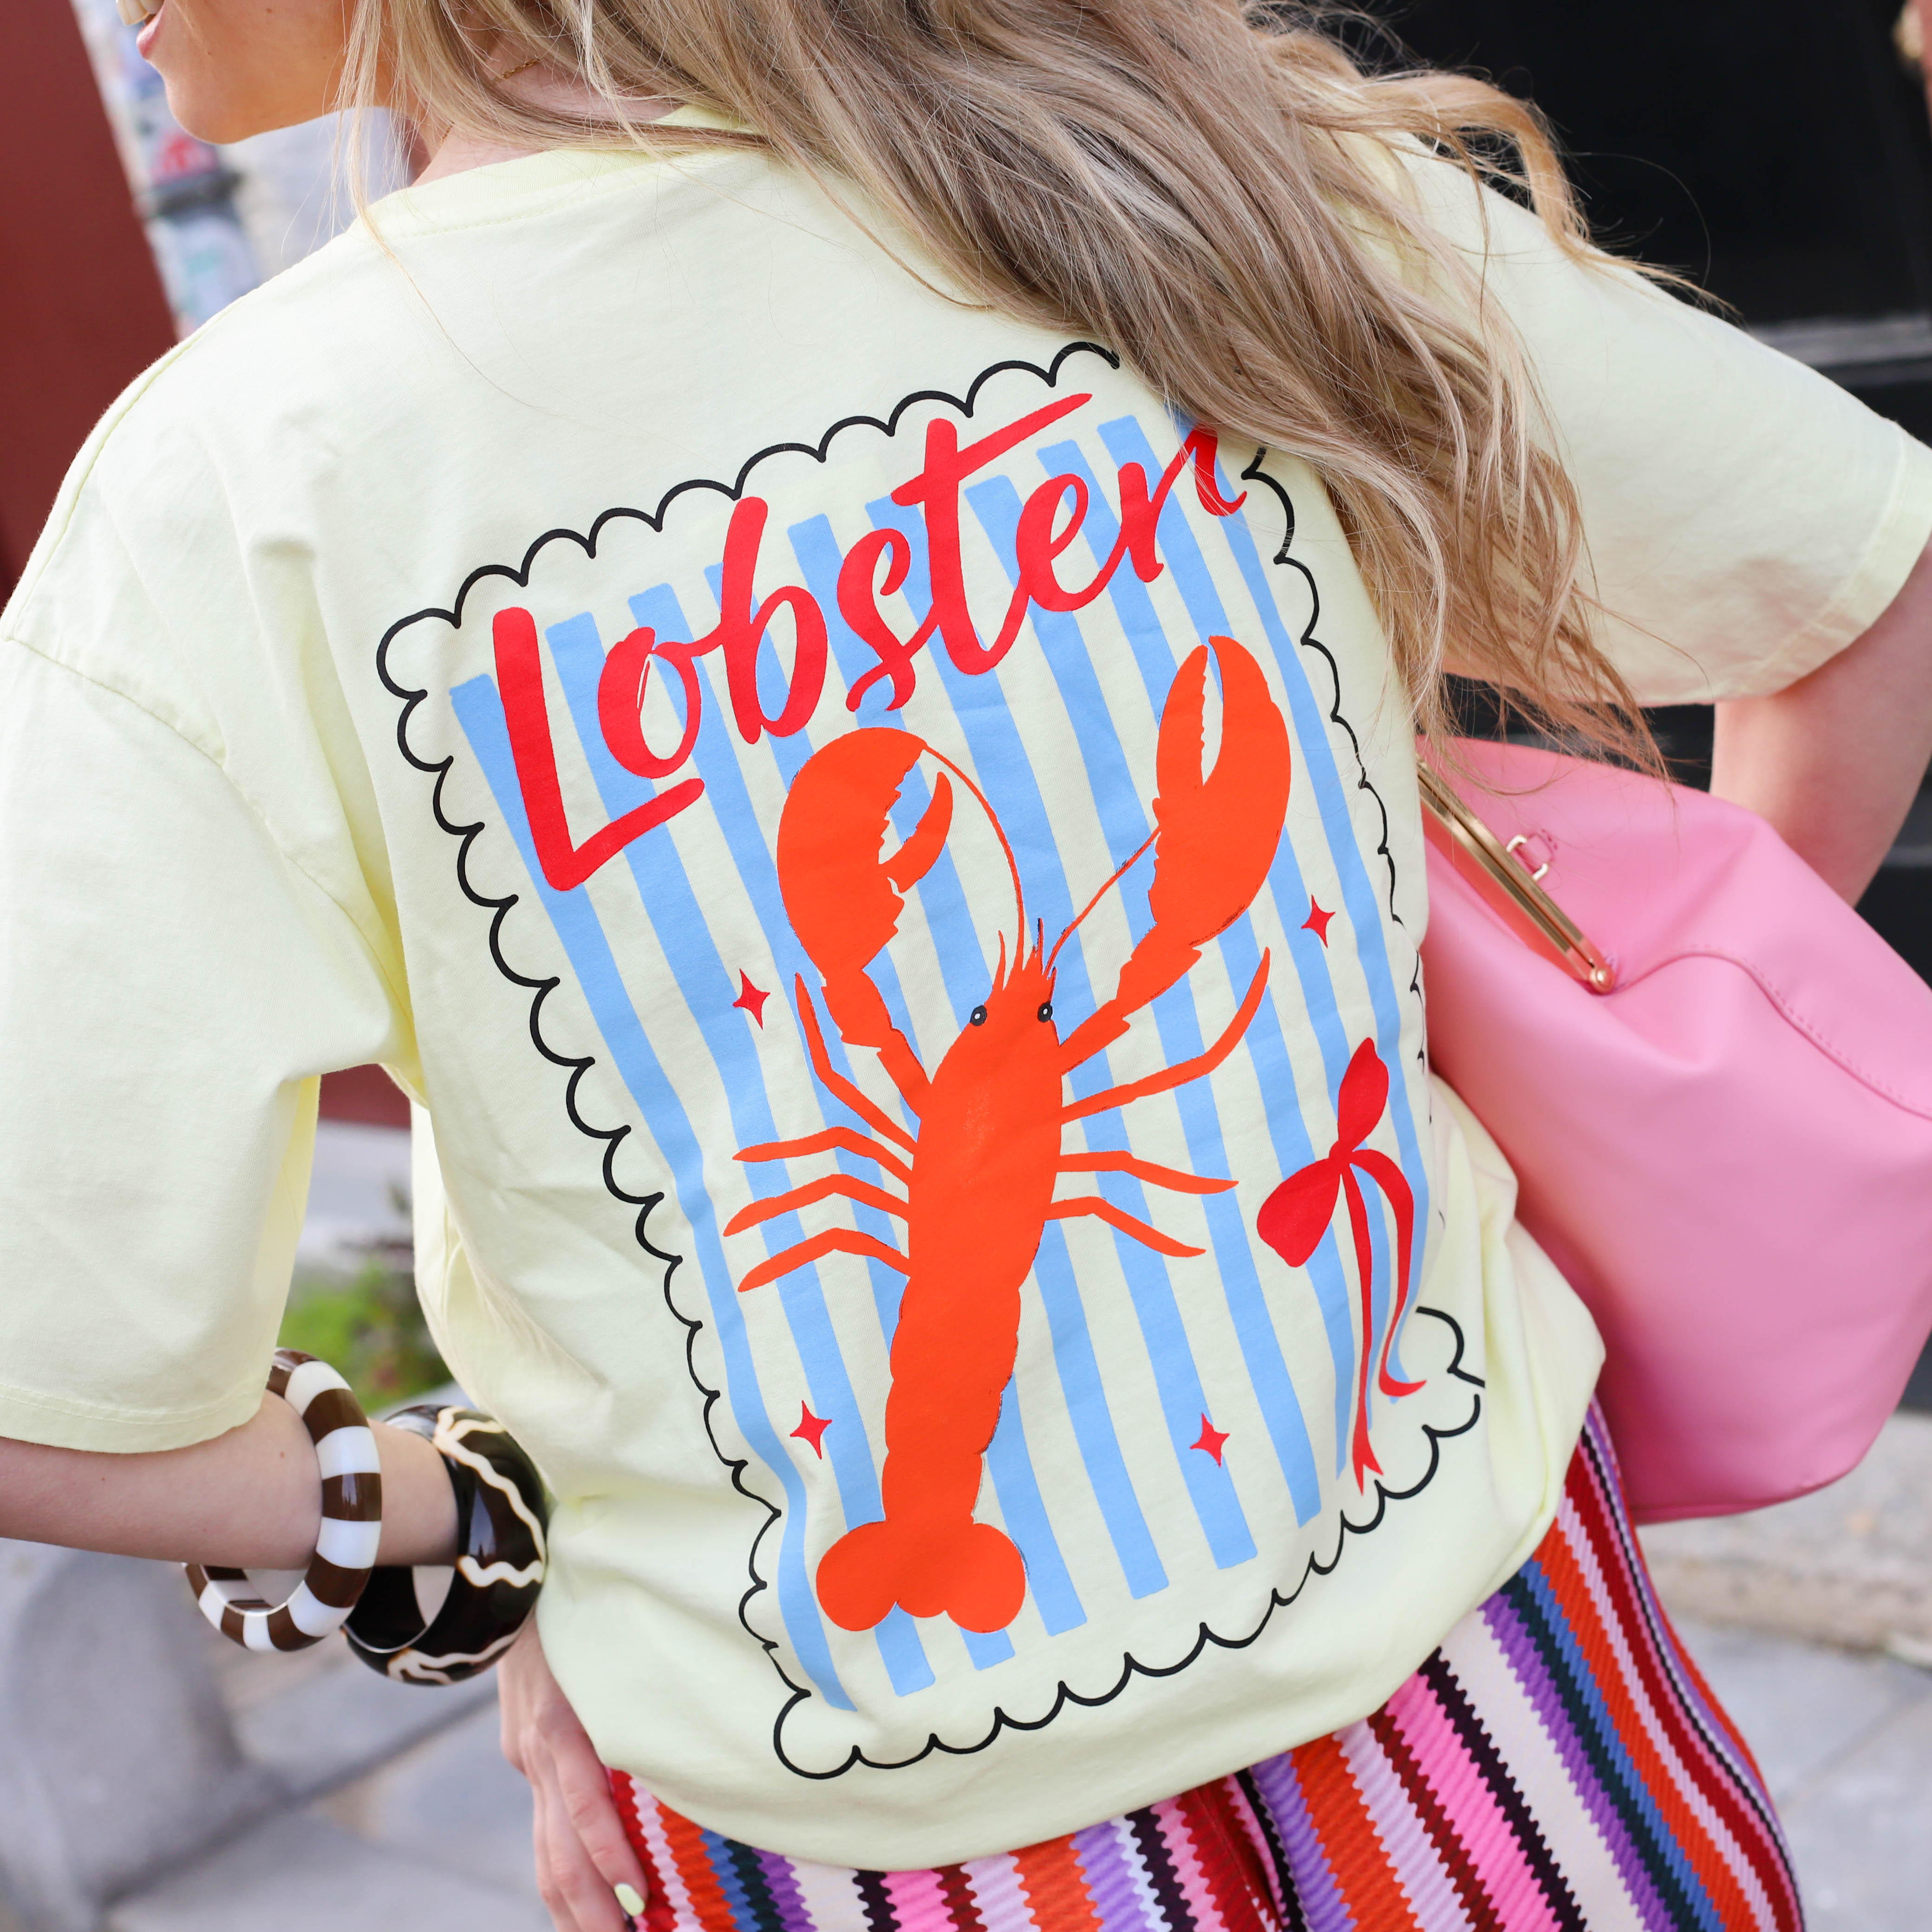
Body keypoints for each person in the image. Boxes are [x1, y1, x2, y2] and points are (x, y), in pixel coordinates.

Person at [6, 0, 1932, 1923]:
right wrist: (1627, 1101)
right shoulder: (1188, 146)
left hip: (837, 1808)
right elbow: (1867, 590)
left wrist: (468, 1518)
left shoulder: (224, 495)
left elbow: (44, 1405)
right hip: (1510, 1679)